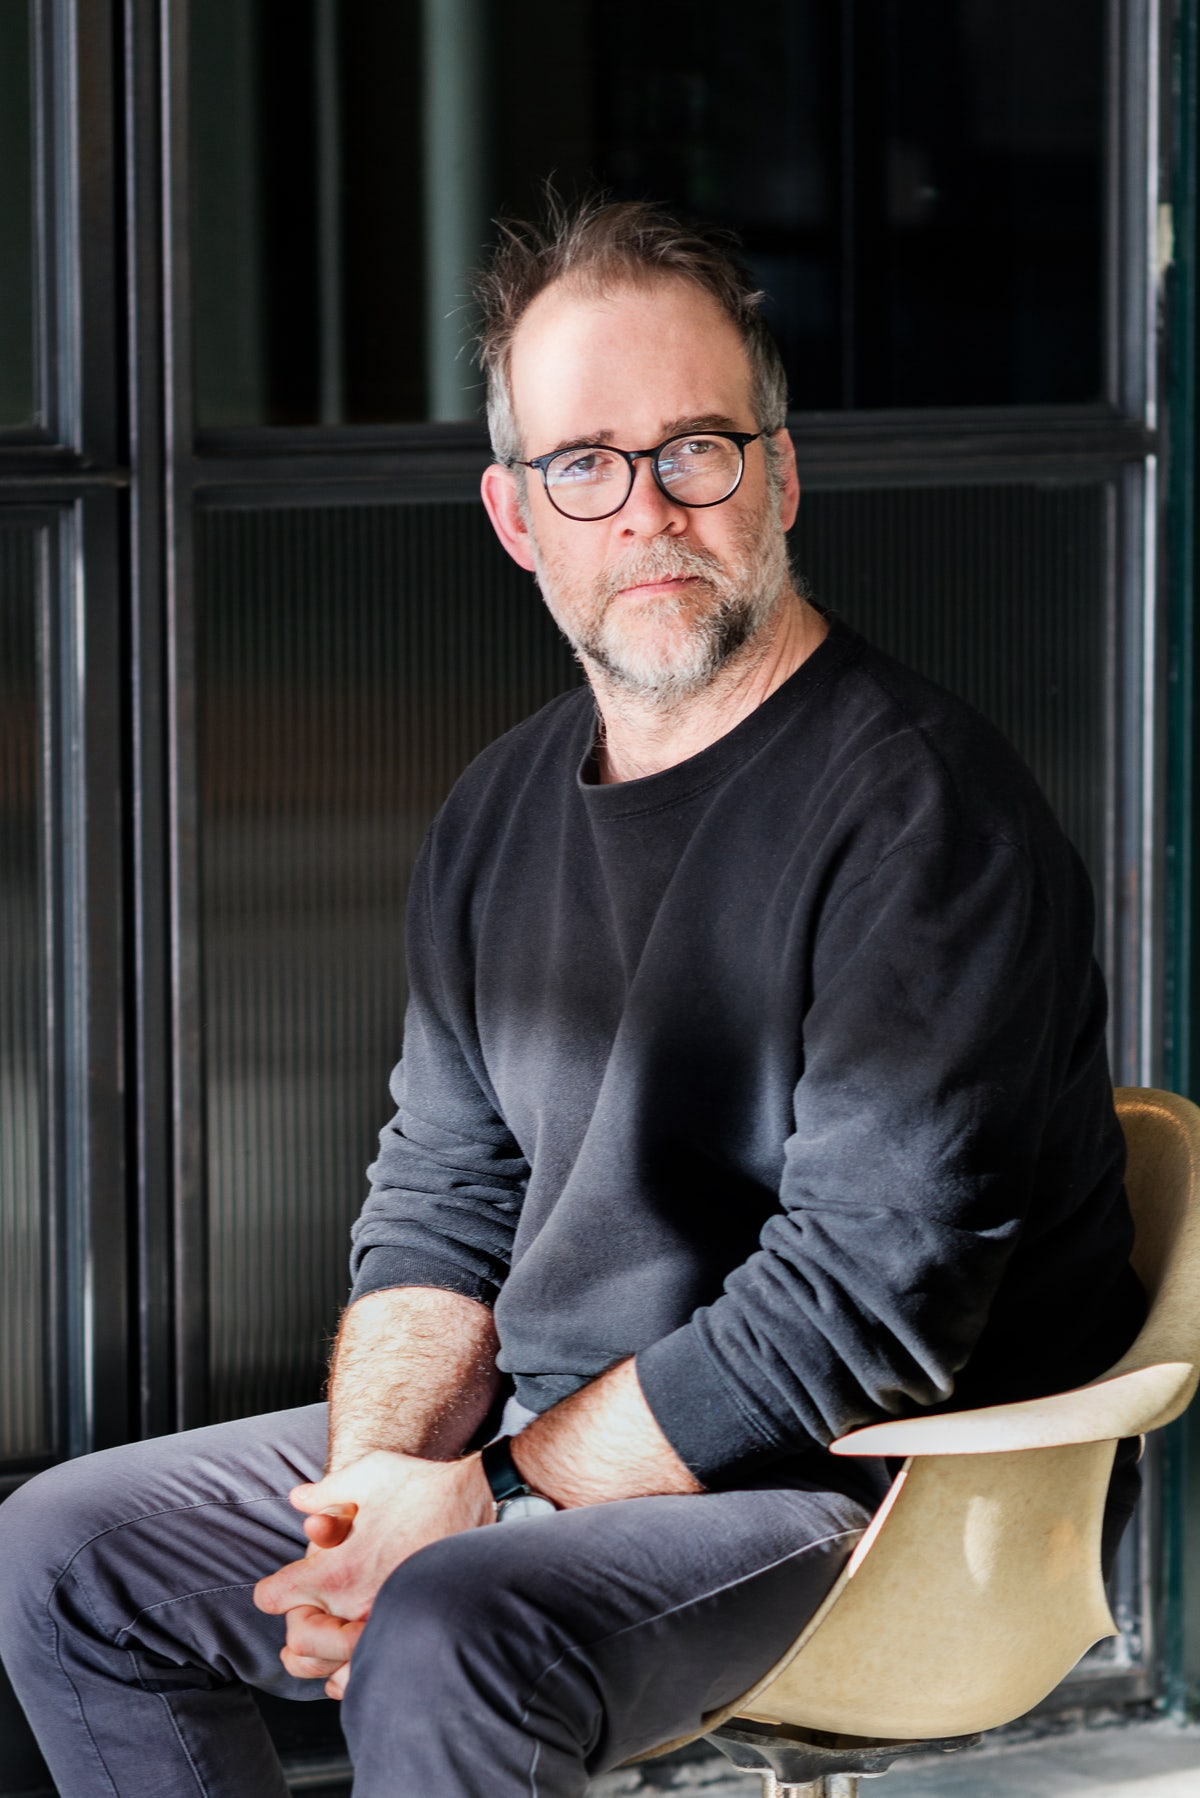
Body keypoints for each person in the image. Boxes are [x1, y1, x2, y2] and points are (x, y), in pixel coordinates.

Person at [0, 199, 1145, 1798]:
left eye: (699, 450)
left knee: (451, 1625)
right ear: (516, 515)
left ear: (784, 474)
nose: (650, 511)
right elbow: (439, 1205)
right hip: (552, 1449)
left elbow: (858, 1309)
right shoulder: (496, 809)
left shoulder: (921, 812)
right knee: (68, 1554)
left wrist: (490, 1508)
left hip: (879, 1484)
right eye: (586, 464)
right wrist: (375, 1487)